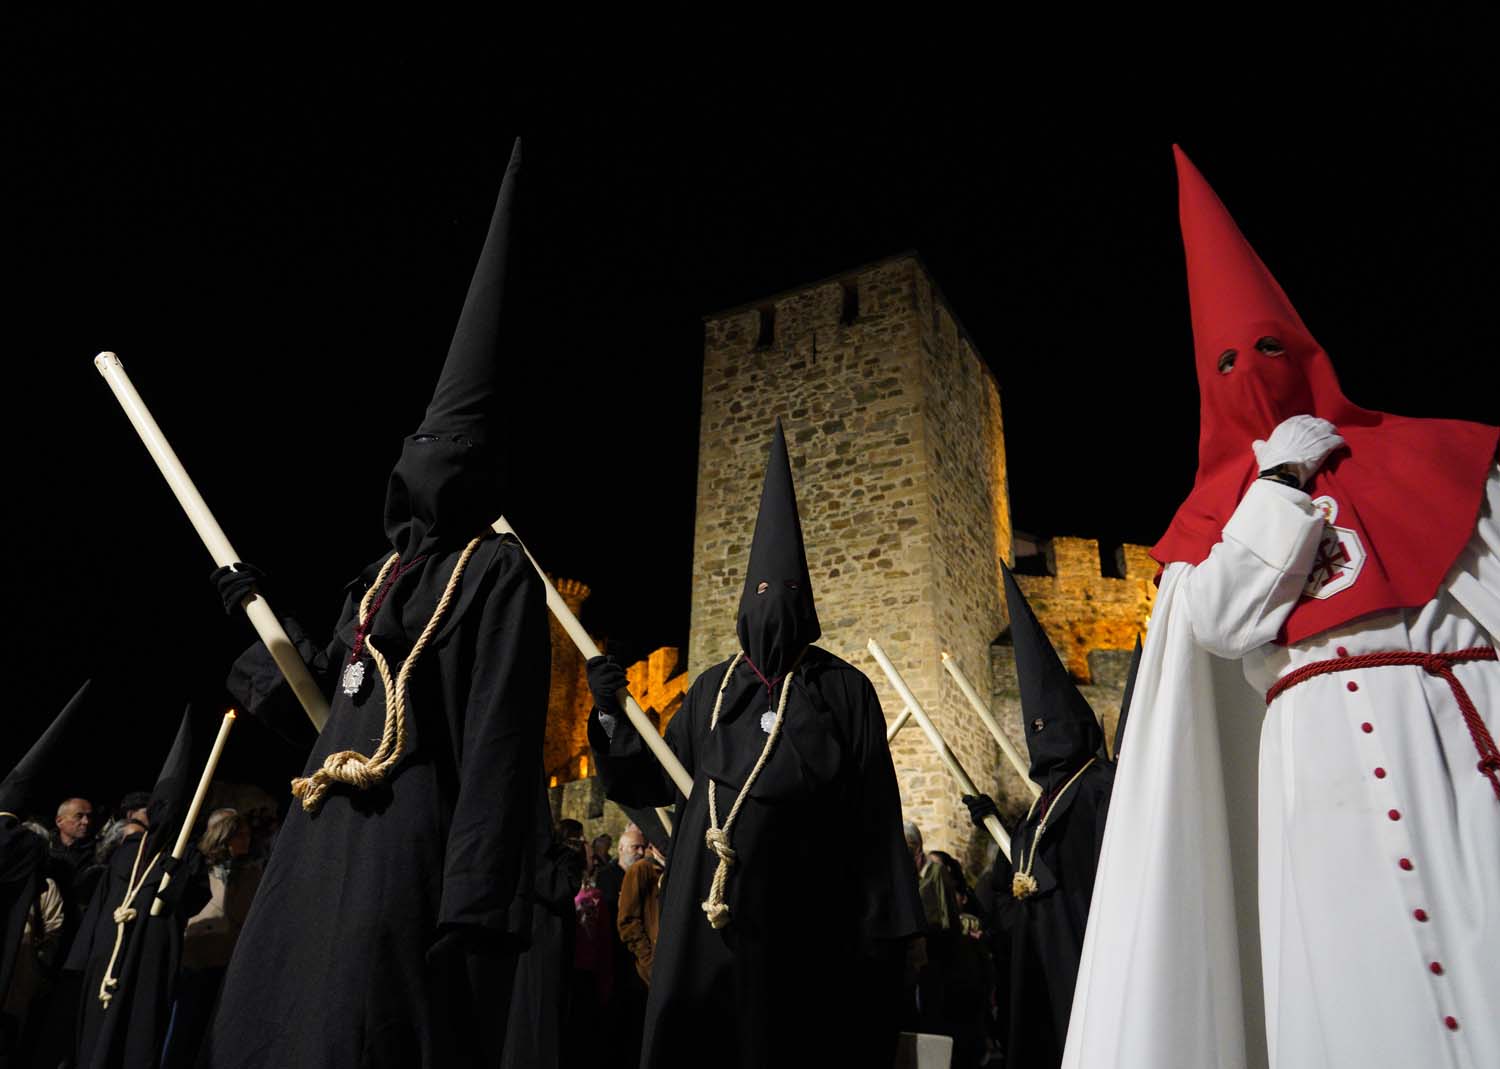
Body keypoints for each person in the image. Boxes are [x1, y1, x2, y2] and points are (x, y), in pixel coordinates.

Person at [1064, 147, 1500, 1069]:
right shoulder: (1215, 522)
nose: (1253, 372)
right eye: (1228, 360)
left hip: (1457, 741)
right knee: (1357, 997)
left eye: (1269, 348)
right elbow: (1223, 621)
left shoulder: (1435, 456)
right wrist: (1276, 484)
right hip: (1321, 773)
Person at [205, 139, 550, 1069]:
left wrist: (475, 902)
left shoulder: (498, 572)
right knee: (263, 1018)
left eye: (450, 445)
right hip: (316, 840)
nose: (425, 460)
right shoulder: (374, 580)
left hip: (405, 845)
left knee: (358, 1029)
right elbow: (324, 707)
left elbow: (499, 742)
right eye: (421, 440)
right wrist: (257, 625)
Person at [587, 418, 923, 1068]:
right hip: (707, 923)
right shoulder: (711, 691)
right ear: (744, 600)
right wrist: (611, 717)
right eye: (763, 591)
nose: (774, 603)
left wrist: (897, 930)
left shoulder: (844, 691)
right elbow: (649, 777)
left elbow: (877, 814)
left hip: (808, 925)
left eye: (787, 593)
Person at [964, 567, 1114, 1069]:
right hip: (1035, 964)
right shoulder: (1037, 807)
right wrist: (997, 828)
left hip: (1085, 953)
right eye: (1035, 730)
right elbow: (1013, 883)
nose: (1043, 737)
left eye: (1050, 727)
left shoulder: (1101, 786)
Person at [66, 705, 211, 1069]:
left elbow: (192, 899)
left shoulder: (184, 857)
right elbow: (100, 906)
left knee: (136, 1037)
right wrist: (82, 961)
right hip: (108, 962)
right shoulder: (126, 852)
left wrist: (178, 874)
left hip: (149, 961)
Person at [1, 682, 90, 1064]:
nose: (86, 822)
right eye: (78, 816)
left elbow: (52, 923)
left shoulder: (42, 863)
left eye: (90, 817)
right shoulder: (25, 847)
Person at [162, 809, 261, 1069]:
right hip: (196, 958)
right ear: (225, 837)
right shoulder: (198, 870)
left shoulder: (251, 872)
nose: (246, 840)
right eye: (240, 835)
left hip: (227, 960)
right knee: (183, 1027)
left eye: (248, 835)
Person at [617, 842, 665, 985]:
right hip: (654, 967)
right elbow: (627, 921)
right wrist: (649, 962)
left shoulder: (675, 867)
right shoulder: (641, 869)